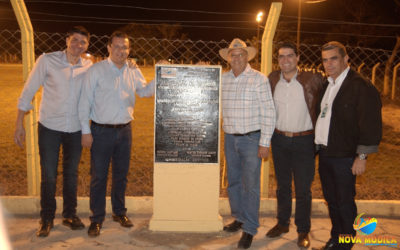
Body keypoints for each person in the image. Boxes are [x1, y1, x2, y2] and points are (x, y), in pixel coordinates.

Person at [14, 26, 91, 237]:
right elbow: (28, 90)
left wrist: (128, 65)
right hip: (49, 127)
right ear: (67, 40)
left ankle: (69, 214)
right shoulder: (47, 60)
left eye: (83, 42)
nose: (78, 45)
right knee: (48, 175)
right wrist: (19, 123)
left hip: (75, 129)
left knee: (71, 174)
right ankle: (46, 218)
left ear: (87, 45)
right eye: (75, 40)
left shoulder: (88, 65)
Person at [78, 30, 155, 237]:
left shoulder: (133, 69)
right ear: (109, 48)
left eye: (125, 47)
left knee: (121, 176)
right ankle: (96, 219)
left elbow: (145, 91)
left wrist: (161, 75)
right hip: (100, 131)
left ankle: (119, 212)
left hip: (125, 130)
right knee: (98, 177)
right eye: (118, 46)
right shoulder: (96, 70)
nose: (122, 50)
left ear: (129, 49)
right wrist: (86, 131)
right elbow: (84, 102)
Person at [314, 41, 382, 250]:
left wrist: (361, 157)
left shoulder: (360, 86)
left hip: (345, 157)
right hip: (325, 153)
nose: (329, 64)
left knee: (344, 203)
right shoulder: (327, 85)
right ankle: (336, 238)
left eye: (334, 58)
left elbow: (370, 123)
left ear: (346, 59)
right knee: (332, 201)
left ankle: (345, 243)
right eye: (325, 60)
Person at [265, 41, 325, 248]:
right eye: (281, 56)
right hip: (279, 139)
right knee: (282, 186)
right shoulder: (272, 80)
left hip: (304, 140)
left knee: (303, 189)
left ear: (298, 58)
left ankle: (303, 230)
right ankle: (282, 223)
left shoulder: (312, 80)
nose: (285, 60)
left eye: (290, 55)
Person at [219, 38, 276, 249]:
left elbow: (269, 111)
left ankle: (250, 228)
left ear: (247, 57)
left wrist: (265, 142)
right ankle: (239, 217)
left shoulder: (258, 79)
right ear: (229, 58)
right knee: (233, 182)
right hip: (230, 138)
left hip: (252, 139)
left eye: (240, 54)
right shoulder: (223, 79)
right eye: (233, 55)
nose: (236, 58)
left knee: (250, 185)